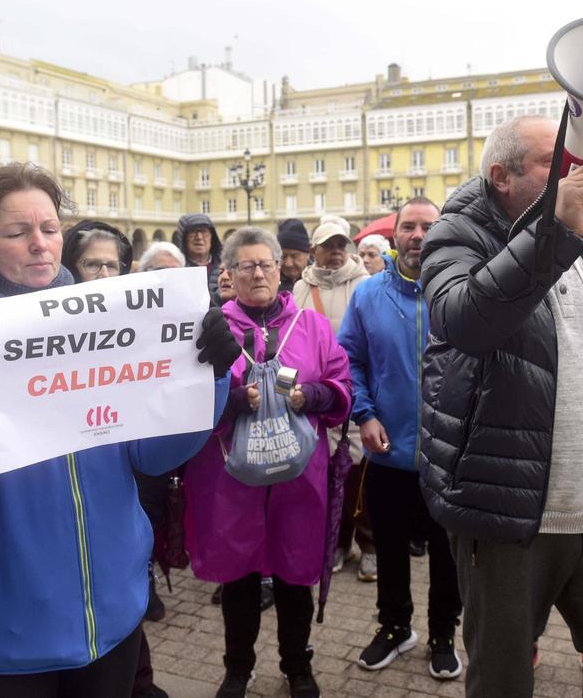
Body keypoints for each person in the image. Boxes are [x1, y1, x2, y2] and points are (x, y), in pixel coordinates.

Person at [0, 164, 237, 697]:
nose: (39, 245)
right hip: (1, 632)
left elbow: (151, 456)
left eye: (50, 229)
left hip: (111, 612)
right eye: (17, 232)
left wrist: (208, 376)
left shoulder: (108, 326)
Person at [418, 115, 583, 698]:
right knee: (503, 679)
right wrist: (554, 232)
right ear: (501, 175)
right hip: (511, 519)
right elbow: (466, 320)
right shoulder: (455, 236)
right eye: (552, 162)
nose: (576, 173)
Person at [183, 226, 353, 698]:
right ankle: (237, 669)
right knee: (238, 579)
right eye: (246, 266)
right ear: (229, 274)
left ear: (281, 269)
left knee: (295, 576)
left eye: (266, 264)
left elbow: (342, 385)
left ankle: (298, 667)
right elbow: (188, 398)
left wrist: (312, 394)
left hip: (300, 478)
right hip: (232, 478)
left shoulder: (312, 326)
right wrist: (233, 400)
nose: (258, 273)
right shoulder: (211, 327)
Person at [338, 198, 464, 680]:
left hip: (448, 454)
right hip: (388, 451)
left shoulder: (463, 290)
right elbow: (349, 360)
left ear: (443, 233)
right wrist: (364, 415)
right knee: (389, 547)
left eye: (427, 227)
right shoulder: (369, 294)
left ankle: (442, 634)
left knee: (447, 555)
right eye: (408, 227)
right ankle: (394, 627)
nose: (417, 235)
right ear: (395, 237)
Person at [62, 221, 170, 698]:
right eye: (92, 264)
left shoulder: (136, 326)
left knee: (123, 601)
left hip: (123, 487)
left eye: (113, 265)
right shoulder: (48, 332)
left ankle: (140, 684)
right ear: (69, 269)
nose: (104, 274)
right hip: (65, 501)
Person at [292, 217, 374, 579]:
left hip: (358, 391)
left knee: (361, 475)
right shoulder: (299, 288)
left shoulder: (367, 284)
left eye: (342, 243)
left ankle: (369, 546)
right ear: (315, 250)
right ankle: (337, 543)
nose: (337, 250)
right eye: (329, 245)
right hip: (317, 397)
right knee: (327, 472)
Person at [177, 212, 223, 303]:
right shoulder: (176, 269)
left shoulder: (227, 267)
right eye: (193, 231)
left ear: (212, 236)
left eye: (204, 231)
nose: (199, 237)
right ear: (184, 237)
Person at [277, 218, 311, 293]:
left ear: (308, 254)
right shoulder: (271, 283)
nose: (288, 263)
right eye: (283, 256)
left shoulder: (319, 283)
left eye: (294, 256)